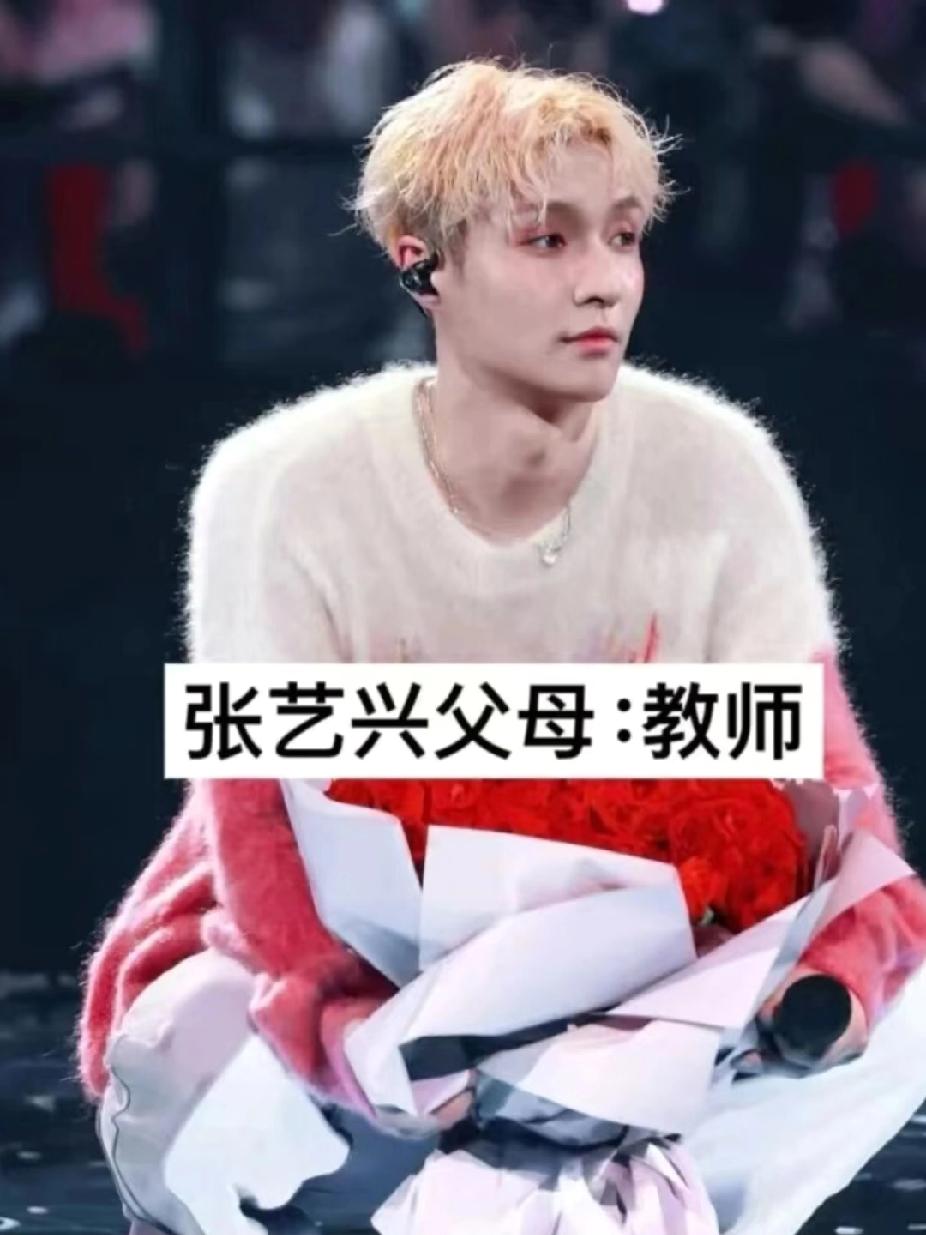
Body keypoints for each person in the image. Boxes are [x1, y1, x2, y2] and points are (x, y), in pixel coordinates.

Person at [74, 58, 926, 1235]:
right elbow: (259, 819)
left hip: (646, 984)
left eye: (621, 237)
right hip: (342, 990)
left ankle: (621, 1187)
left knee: (906, 1008)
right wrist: (348, 1031)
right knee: (184, 1047)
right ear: (422, 262)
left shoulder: (719, 463)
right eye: (547, 239)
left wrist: (827, 978)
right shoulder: (277, 480)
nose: (603, 280)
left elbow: (825, 787)